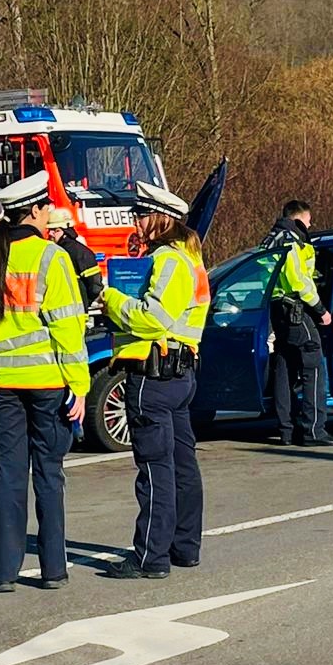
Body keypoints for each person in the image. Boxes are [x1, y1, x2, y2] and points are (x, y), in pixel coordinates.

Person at [0, 171, 89, 592]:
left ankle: (4, 573)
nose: (51, 212)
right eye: (47, 206)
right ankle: (53, 569)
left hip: (0, 384)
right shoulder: (52, 258)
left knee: (8, 474)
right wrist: (81, 386)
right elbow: (68, 329)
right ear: (34, 211)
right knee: (49, 474)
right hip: (47, 383)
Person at [100, 181, 211, 579]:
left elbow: (152, 318)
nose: (136, 222)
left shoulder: (167, 260)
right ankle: (185, 547)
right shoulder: (191, 259)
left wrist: (111, 299)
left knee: (154, 468)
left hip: (154, 375)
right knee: (182, 464)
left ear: (159, 219)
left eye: (141, 215)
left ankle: (151, 557)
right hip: (181, 373)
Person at [264, 200, 333, 446]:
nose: (310, 224)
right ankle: (314, 430)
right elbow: (298, 282)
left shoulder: (271, 238)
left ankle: (286, 430)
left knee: (284, 368)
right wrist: (320, 310)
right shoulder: (291, 241)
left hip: (277, 311)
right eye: (308, 220)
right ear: (298, 219)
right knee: (313, 367)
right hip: (295, 309)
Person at [47, 207, 104, 309]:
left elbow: (95, 287)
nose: (50, 233)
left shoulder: (79, 253)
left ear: (66, 231)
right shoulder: (81, 252)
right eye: (50, 230)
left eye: (55, 230)